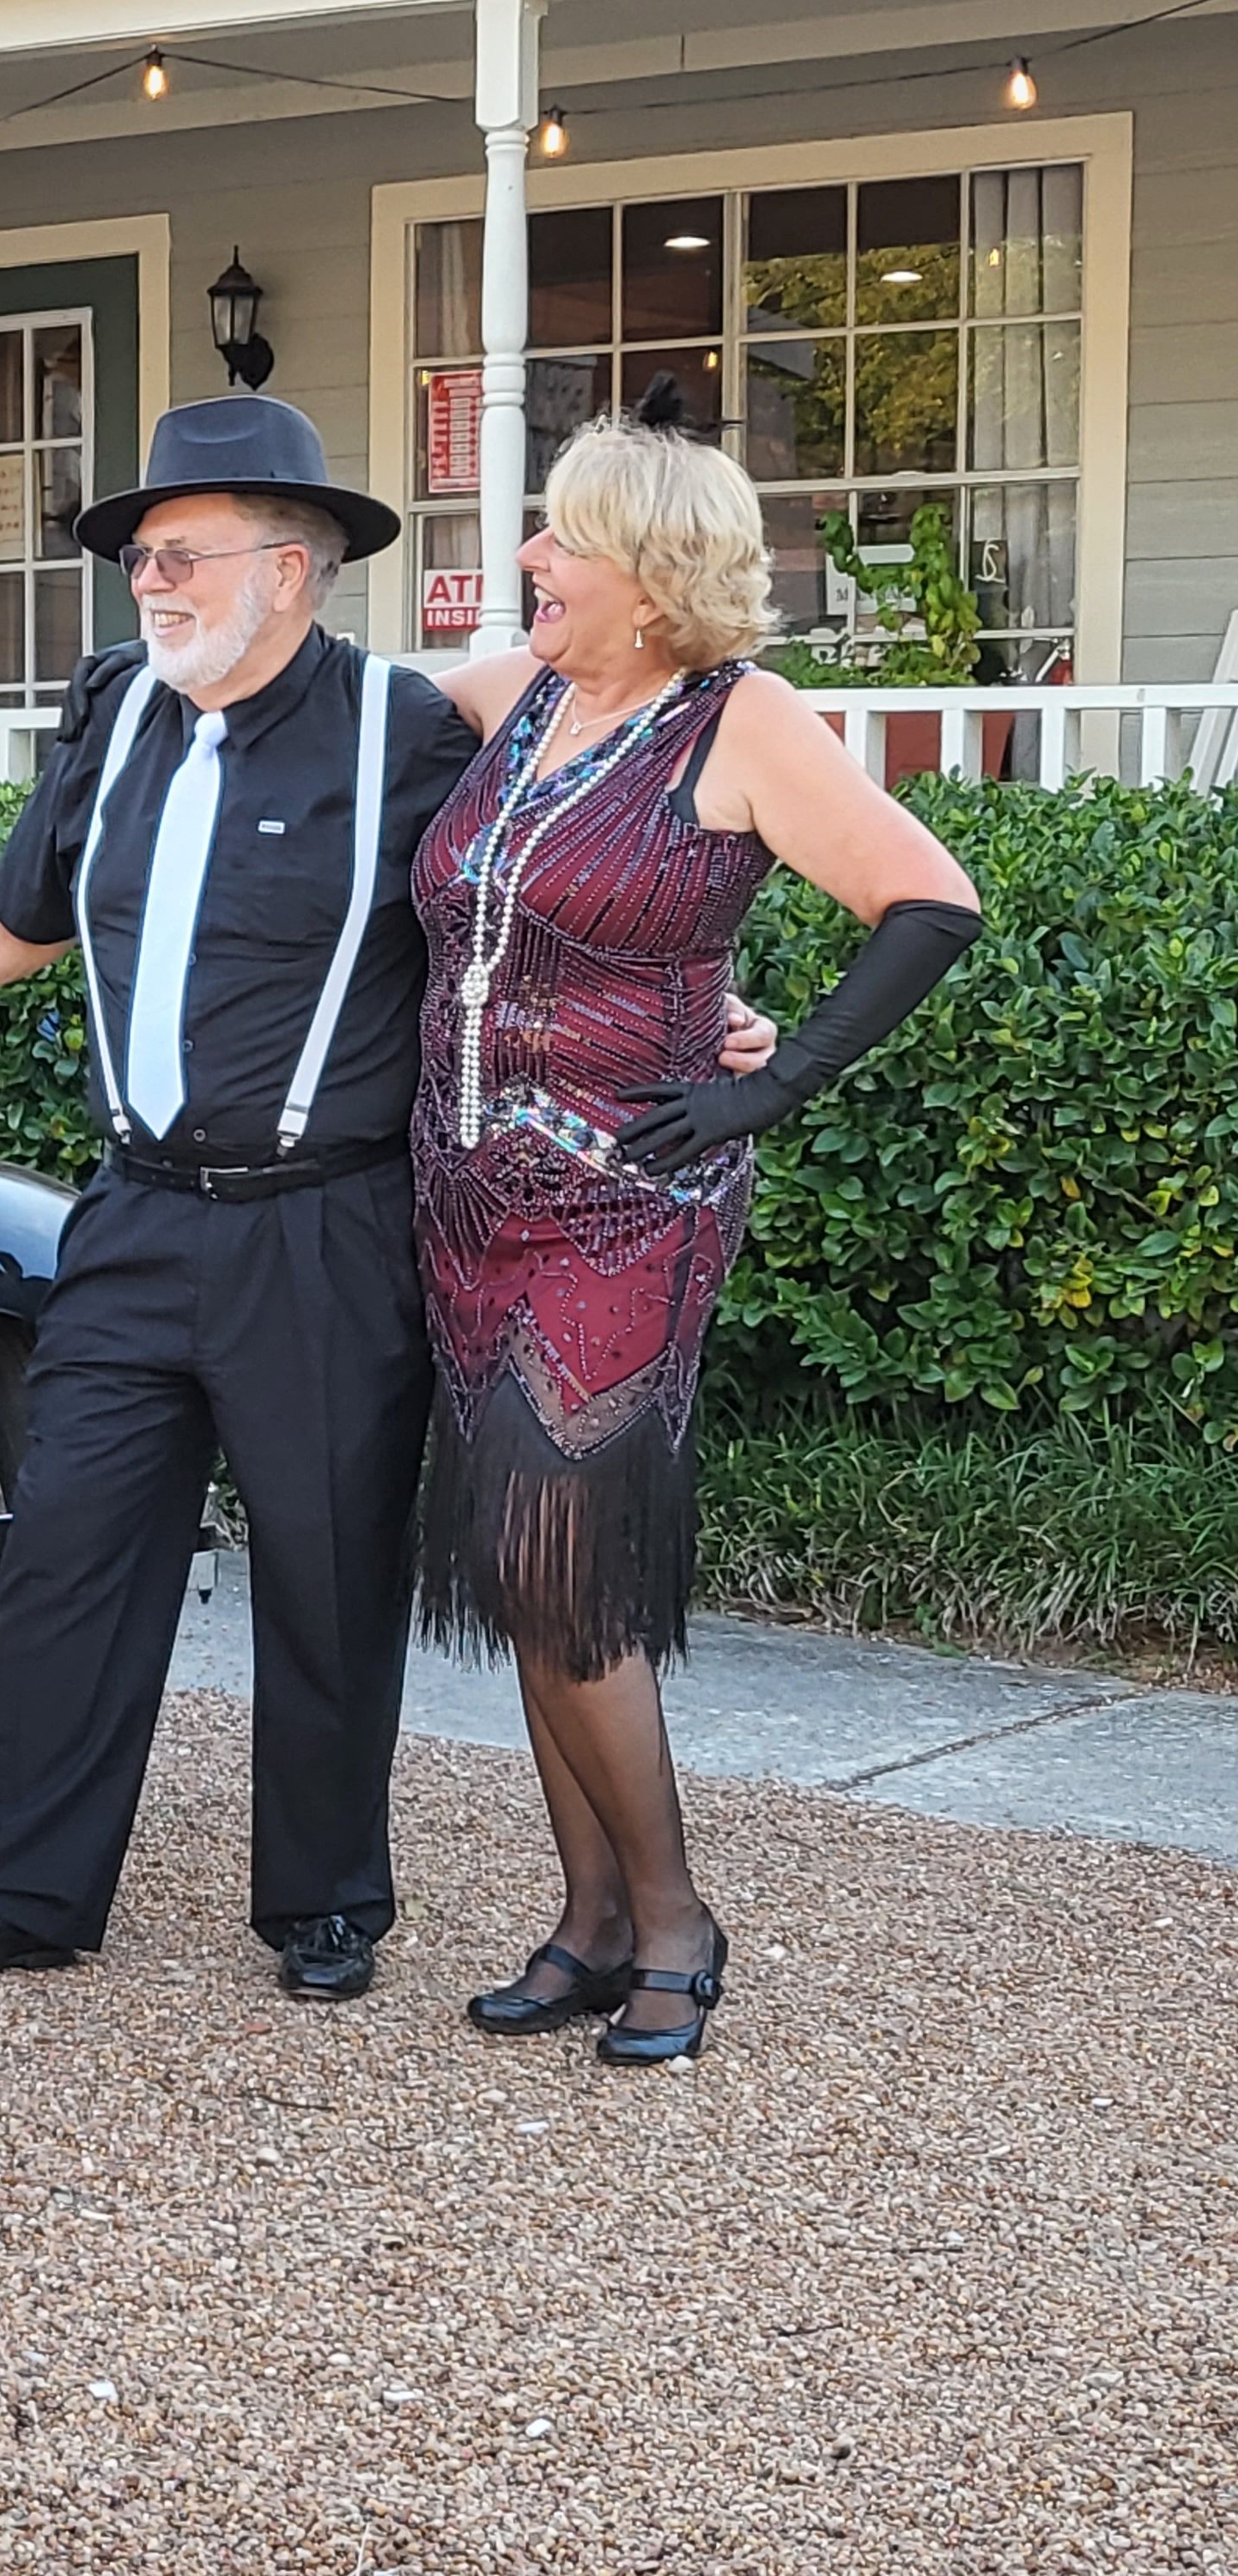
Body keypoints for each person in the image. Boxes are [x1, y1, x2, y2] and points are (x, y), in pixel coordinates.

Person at [0, 394, 777, 2007]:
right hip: (134, 1216)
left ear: (289, 570)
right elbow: (22, 923)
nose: (148, 583)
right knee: (67, 1557)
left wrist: (701, 1014)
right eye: (139, 557)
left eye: (180, 555)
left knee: (329, 1571)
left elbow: (572, 873)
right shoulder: (113, 714)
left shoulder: (410, 730)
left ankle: (326, 1902)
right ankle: (25, 1893)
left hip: (327, 1227)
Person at [415, 395, 979, 2064]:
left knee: (557, 1556)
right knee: (523, 1572)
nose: (527, 555)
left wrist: (769, 1081)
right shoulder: (509, 698)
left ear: (652, 578)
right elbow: (332, 716)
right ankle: (585, 1920)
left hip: (628, 1201)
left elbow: (930, 902)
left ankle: (671, 1920)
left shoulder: (741, 721)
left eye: (562, 537)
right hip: (457, 1197)